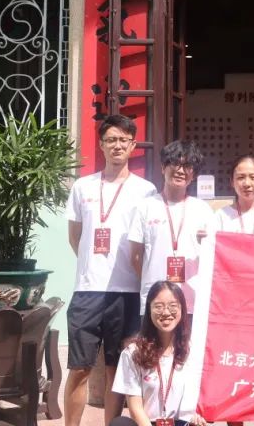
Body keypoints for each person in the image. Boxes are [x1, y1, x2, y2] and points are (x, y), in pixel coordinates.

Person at [64, 114, 158, 426]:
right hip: (88, 291)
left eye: (123, 140)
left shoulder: (146, 190)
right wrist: (93, 266)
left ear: (133, 145)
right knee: (79, 367)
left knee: (116, 370)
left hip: (128, 292)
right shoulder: (82, 186)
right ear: (101, 145)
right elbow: (75, 237)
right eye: (111, 140)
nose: (117, 145)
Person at [129, 140, 217, 318]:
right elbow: (136, 257)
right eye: (175, 164)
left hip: (192, 302)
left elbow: (213, 257)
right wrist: (152, 279)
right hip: (155, 301)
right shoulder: (145, 206)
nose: (180, 170)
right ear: (163, 168)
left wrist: (205, 244)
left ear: (194, 175)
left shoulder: (203, 209)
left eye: (187, 166)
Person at [110, 280, 208, 426]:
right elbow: (135, 408)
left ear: (182, 309)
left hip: (183, 423)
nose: (166, 312)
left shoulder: (194, 350)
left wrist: (197, 418)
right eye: (158, 306)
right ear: (149, 310)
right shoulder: (132, 353)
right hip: (147, 423)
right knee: (120, 424)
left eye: (173, 306)